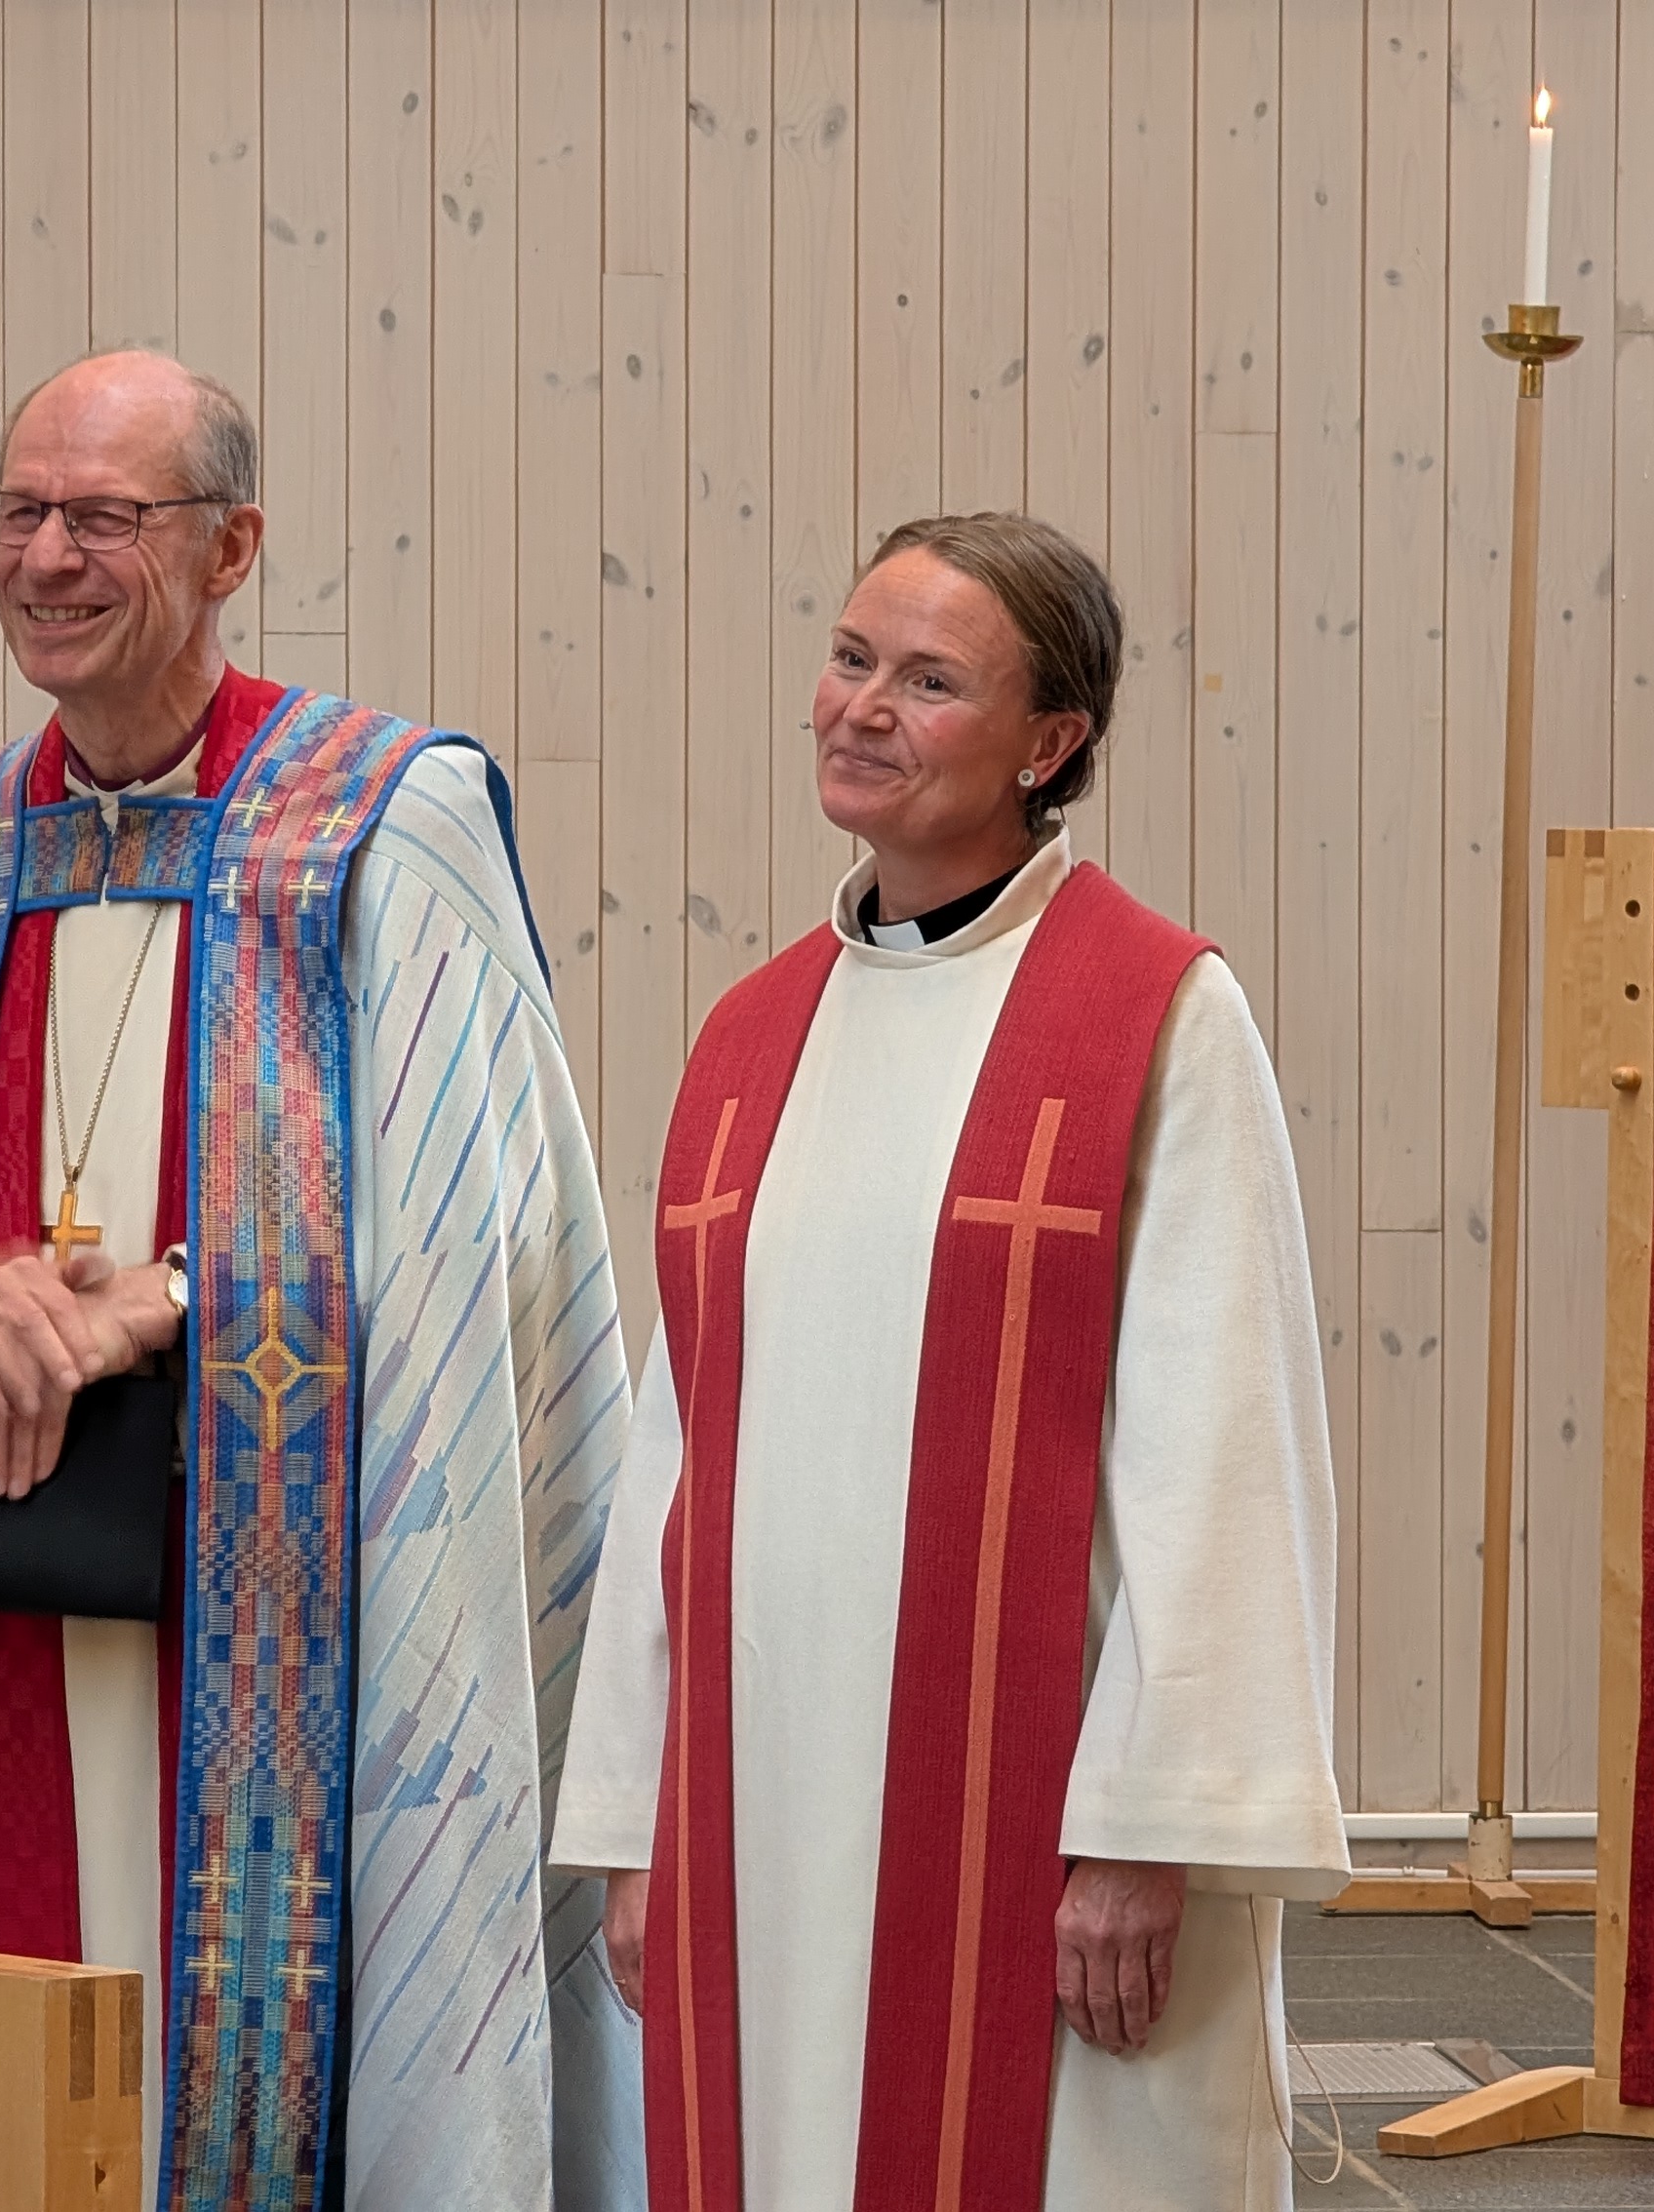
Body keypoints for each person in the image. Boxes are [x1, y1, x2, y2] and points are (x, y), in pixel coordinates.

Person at [0, 350, 637, 2211]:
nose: (48, 556)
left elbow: (482, 1232)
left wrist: (180, 1302)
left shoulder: (388, 818)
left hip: (293, 1598)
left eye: (105, 518)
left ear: (233, 549)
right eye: (19, 512)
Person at [550, 513, 1348, 2211]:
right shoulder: (753, 1036)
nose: (862, 707)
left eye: (929, 681)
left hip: (1042, 1818)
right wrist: (635, 1820)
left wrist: (1151, 1828)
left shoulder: (1154, 1016)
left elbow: (1224, 1445)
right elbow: (676, 1454)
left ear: (1050, 743)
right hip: (761, 1803)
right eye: (851, 659)